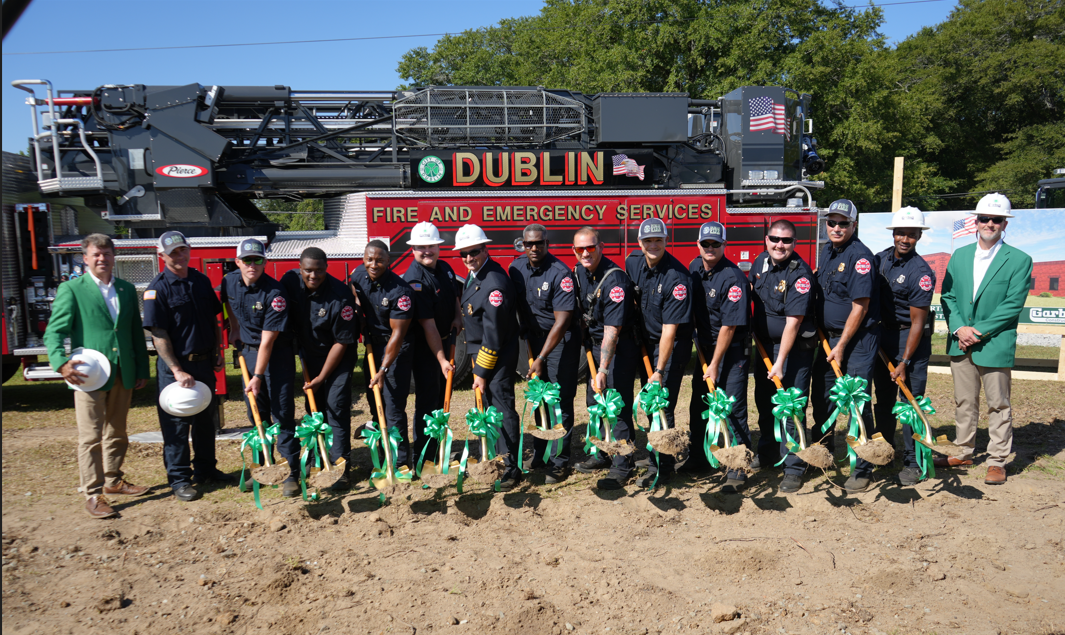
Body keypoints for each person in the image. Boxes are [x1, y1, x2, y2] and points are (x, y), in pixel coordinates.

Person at [45, 233, 151, 519]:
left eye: (106, 253)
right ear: (85, 258)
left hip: (122, 371)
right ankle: (93, 494)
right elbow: (54, 331)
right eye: (96, 254)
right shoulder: (72, 289)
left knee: (117, 431)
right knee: (90, 436)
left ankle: (113, 480)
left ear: (114, 256)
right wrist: (61, 364)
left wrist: (142, 368)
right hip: (88, 375)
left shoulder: (127, 289)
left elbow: (133, 333)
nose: (102, 258)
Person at [941, 193, 1033, 485]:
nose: (990, 223)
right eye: (985, 218)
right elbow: (949, 296)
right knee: (964, 402)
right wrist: (959, 328)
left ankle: (997, 461)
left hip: (993, 343)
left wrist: (976, 332)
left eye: (996, 219)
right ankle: (964, 451)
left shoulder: (1019, 259)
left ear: (1005, 223)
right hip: (961, 341)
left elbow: (1013, 304)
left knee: (998, 404)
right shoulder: (960, 255)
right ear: (976, 221)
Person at [143, 231, 230, 503]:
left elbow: (215, 320)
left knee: (206, 422)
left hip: (204, 364)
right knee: (177, 427)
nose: (179, 256)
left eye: (182, 250)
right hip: (176, 371)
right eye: (173, 253)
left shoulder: (201, 281)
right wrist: (177, 369)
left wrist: (218, 352)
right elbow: (158, 334)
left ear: (189, 250)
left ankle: (206, 469)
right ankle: (180, 479)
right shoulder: (157, 288)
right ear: (162, 256)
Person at [811, 199, 882, 494]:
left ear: (854, 225)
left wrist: (841, 345)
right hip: (829, 339)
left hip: (855, 342)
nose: (836, 228)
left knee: (856, 402)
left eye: (843, 223)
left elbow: (860, 306)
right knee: (822, 399)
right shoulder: (828, 250)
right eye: (832, 222)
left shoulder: (860, 257)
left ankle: (863, 467)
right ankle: (822, 456)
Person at [221, 238, 301, 497]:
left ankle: (291, 471)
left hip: (276, 356)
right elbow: (228, 305)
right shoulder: (229, 281)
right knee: (256, 413)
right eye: (247, 260)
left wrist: (256, 376)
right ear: (238, 262)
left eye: (258, 260)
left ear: (265, 262)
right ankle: (263, 467)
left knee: (282, 413)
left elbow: (269, 340)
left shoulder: (275, 294)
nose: (252, 265)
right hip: (248, 352)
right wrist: (234, 328)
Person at [749, 219, 819, 493]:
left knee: (790, 408)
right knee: (765, 403)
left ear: (794, 243)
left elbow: (793, 323)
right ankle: (767, 453)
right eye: (775, 239)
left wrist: (779, 362)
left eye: (786, 240)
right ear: (766, 239)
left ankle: (793, 466)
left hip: (791, 353)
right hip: (764, 347)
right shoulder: (760, 263)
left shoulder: (799, 275)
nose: (780, 245)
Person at [281, 247, 359, 490]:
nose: (313, 275)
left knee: (335, 407)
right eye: (308, 270)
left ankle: (339, 466)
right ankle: (315, 460)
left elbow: (342, 341)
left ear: (327, 268)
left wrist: (322, 377)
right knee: (313, 411)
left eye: (319, 270)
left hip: (338, 356)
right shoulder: (289, 282)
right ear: (300, 268)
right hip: (309, 355)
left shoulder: (340, 295)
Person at [509, 224, 581, 484]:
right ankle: (541, 452)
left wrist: (540, 358)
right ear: (523, 245)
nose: (534, 248)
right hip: (534, 340)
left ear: (547, 243)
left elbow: (561, 322)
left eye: (539, 243)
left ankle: (560, 461)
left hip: (560, 341)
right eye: (529, 244)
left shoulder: (560, 273)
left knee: (559, 401)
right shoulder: (516, 268)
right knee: (539, 399)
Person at [625, 218, 693, 488]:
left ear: (666, 241)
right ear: (639, 243)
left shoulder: (677, 278)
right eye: (648, 240)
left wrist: (660, 371)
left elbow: (670, 330)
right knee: (652, 404)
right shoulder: (633, 263)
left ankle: (663, 468)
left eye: (658, 240)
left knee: (662, 403)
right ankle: (657, 456)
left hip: (671, 347)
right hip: (646, 344)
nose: (653, 245)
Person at [872, 208, 937, 486]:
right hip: (882, 338)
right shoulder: (879, 259)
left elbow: (917, 323)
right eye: (901, 233)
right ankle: (885, 451)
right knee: (883, 400)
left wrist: (904, 362)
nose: (905, 239)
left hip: (909, 342)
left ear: (919, 236)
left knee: (910, 403)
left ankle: (914, 461)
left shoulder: (921, 272)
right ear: (894, 233)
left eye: (911, 235)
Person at [571, 226, 639, 490]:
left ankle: (623, 464)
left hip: (617, 349)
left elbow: (613, 330)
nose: (585, 253)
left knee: (616, 405)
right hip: (595, 347)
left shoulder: (615, 281)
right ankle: (601, 452)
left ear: (600, 247)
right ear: (574, 251)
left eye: (591, 247)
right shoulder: (580, 272)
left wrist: (602, 369)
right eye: (580, 249)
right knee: (595, 403)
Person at [685, 222, 752, 492]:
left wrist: (714, 364)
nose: (710, 248)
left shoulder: (733, 278)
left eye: (716, 244)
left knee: (731, 408)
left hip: (731, 351)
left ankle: (738, 468)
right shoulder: (693, 269)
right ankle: (700, 458)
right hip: (704, 348)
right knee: (699, 407)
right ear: (698, 244)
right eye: (706, 244)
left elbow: (730, 325)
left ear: (724, 246)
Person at [455, 224, 522, 489]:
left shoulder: (493, 282)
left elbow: (493, 335)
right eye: (463, 254)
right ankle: (498, 458)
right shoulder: (476, 275)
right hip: (481, 353)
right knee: (491, 410)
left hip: (495, 356)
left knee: (502, 409)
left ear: (485, 249)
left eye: (473, 252)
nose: (468, 258)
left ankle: (511, 468)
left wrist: (481, 373)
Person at [350, 240, 422, 472]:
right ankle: (383, 457)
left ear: (389, 261)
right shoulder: (359, 275)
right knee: (375, 403)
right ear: (363, 259)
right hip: (372, 346)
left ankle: (400, 462)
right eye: (369, 259)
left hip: (396, 350)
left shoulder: (400, 292)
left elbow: (398, 335)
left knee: (392, 407)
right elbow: (354, 290)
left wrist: (382, 370)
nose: (374, 264)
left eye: (379, 260)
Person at [401, 222, 461, 468]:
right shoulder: (415, 279)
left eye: (431, 246)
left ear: (438, 247)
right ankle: (424, 457)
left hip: (445, 343)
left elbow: (455, 293)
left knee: (440, 399)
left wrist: (457, 316)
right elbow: (428, 325)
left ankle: (438, 451)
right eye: (421, 247)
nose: (426, 251)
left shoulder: (444, 268)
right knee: (428, 402)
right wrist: (442, 360)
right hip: (427, 350)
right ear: (413, 249)